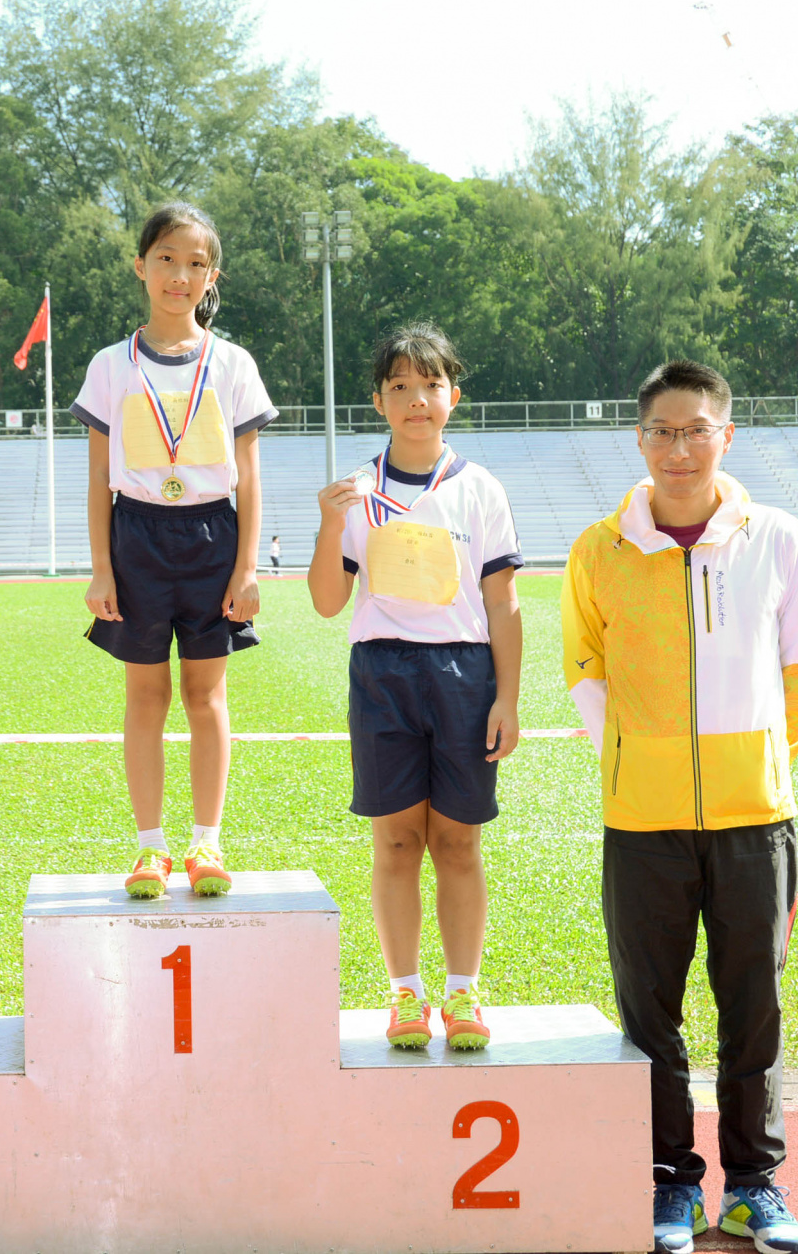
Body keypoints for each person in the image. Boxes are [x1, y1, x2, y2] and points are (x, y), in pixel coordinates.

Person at [562, 360, 798, 1254]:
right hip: (641, 819)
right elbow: (583, 667)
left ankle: (753, 1184)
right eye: (662, 432)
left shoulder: (778, 538)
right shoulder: (598, 548)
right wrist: (635, 762)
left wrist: (757, 763)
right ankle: (669, 1182)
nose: (679, 448)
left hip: (755, 816)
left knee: (753, 1005)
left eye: (696, 430)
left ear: (726, 435)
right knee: (650, 1012)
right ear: (639, 439)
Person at [308, 323, 523, 1051]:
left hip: (464, 674)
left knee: (457, 843)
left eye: (430, 385)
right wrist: (328, 523)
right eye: (399, 386)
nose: (416, 400)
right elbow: (327, 602)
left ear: (453, 396)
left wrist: (507, 697)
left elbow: (503, 602)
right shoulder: (356, 491)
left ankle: (462, 992)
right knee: (397, 843)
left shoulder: (479, 488)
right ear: (378, 401)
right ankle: (405, 993)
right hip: (383, 674)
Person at [71, 201, 276, 899]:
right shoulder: (110, 365)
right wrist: (102, 568)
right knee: (146, 693)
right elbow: (97, 477)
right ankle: (150, 847)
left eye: (195, 263)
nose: (178, 275)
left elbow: (249, 475)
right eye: (165, 259)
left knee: (205, 693)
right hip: (136, 536)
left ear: (211, 276)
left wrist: (246, 567)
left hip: (213, 536)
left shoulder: (233, 363)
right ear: (140, 266)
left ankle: (206, 841)